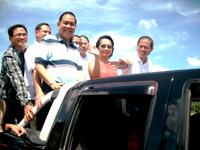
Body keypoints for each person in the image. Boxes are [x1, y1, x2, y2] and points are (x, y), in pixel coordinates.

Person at [34, 12, 85, 129]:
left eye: (72, 24)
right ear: (58, 24)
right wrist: (52, 83)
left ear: (75, 27)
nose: (68, 26)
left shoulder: (75, 48)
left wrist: (82, 87)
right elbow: (38, 65)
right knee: (48, 131)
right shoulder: (48, 40)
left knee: (66, 130)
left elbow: (79, 71)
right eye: (65, 23)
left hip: (71, 95)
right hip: (52, 93)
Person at [0, 24, 34, 125]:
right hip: (9, 101)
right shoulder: (9, 55)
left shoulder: (29, 51)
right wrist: (26, 104)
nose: (22, 37)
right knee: (8, 128)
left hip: (23, 98)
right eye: (18, 35)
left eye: (24, 34)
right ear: (10, 38)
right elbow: (18, 80)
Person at [24, 23, 51, 129]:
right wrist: (39, 93)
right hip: (34, 97)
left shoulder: (48, 49)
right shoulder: (32, 49)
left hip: (46, 96)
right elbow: (36, 70)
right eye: (45, 32)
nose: (48, 34)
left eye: (49, 32)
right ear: (36, 33)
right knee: (35, 130)